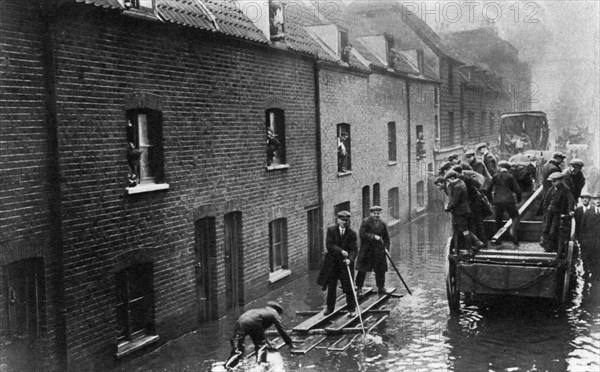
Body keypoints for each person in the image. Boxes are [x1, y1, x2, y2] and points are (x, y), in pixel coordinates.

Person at [224, 301, 293, 369]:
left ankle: (226, 367)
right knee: (261, 346)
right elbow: (281, 330)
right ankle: (261, 366)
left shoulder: (261, 311)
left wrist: (268, 343)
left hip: (240, 321)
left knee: (238, 349)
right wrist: (289, 343)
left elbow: (260, 332)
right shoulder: (274, 313)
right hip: (254, 323)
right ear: (277, 311)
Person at [316, 210, 358, 316]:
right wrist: (341, 251)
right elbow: (329, 245)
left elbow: (354, 250)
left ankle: (351, 309)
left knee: (349, 287)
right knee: (331, 287)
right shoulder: (331, 230)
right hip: (333, 264)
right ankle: (330, 308)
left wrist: (350, 259)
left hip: (345, 264)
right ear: (338, 220)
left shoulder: (352, 233)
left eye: (346, 220)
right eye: (343, 220)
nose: (345, 222)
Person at [444, 170, 485, 255]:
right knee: (461, 229)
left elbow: (455, 201)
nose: (448, 182)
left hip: (460, 212)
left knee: (464, 231)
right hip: (462, 211)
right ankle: (476, 243)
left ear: (452, 178)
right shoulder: (461, 182)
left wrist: (447, 208)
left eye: (448, 180)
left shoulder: (457, 186)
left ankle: (469, 250)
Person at [355, 206, 391, 295]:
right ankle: (359, 288)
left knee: (380, 270)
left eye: (378, 213)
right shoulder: (365, 222)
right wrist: (373, 236)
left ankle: (381, 287)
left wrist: (386, 248)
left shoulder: (382, 223)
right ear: (371, 213)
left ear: (380, 214)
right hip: (367, 250)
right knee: (362, 270)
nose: (376, 215)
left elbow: (386, 238)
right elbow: (362, 234)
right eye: (374, 213)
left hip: (379, 251)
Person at [487, 160, 522, 247]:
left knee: (498, 220)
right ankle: (513, 234)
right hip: (509, 200)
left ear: (499, 167)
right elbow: (517, 190)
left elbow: (488, 190)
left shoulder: (495, 176)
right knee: (515, 217)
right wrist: (518, 200)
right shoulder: (510, 176)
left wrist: (491, 201)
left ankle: (498, 240)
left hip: (497, 202)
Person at [452, 165, 488, 246]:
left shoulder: (461, 180)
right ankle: (483, 242)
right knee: (478, 222)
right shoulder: (467, 178)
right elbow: (478, 185)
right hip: (475, 202)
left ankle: (475, 243)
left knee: (472, 223)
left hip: (472, 203)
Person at [540, 172, 575, 253]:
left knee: (553, 230)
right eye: (552, 181)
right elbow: (546, 200)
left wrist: (570, 210)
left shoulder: (566, 190)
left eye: (555, 181)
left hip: (557, 213)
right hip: (549, 212)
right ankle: (545, 244)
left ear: (560, 180)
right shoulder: (551, 189)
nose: (553, 183)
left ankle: (551, 247)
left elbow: (570, 201)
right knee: (546, 228)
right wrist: (545, 210)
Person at [574, 192, 596, 278]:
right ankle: (586, 270)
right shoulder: (578, 210)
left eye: (587, 198)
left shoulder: (593, 210)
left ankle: (592, 271)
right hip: (582, 237)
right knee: (584, 254)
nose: (585, 200)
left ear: (590, 200)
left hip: (592, 237)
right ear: (581, 199)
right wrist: (577, 237)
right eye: (583, 198)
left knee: (593, 254)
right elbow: (576, 225)